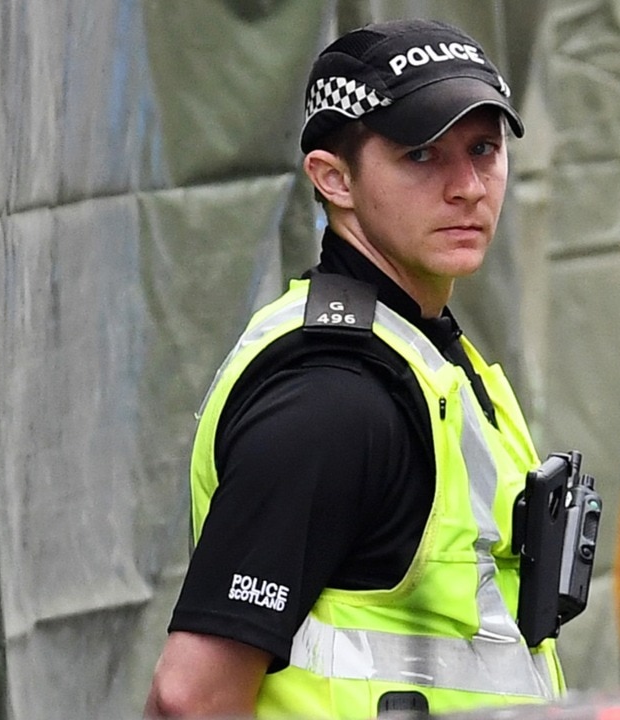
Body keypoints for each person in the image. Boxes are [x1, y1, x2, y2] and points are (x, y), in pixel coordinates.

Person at [145, 18, 566, 719]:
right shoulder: (334, 399)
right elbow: (188, 697)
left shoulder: (423, 354)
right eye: (421, 156)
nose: (467, 186)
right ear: (332, 178)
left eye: (484, 149)